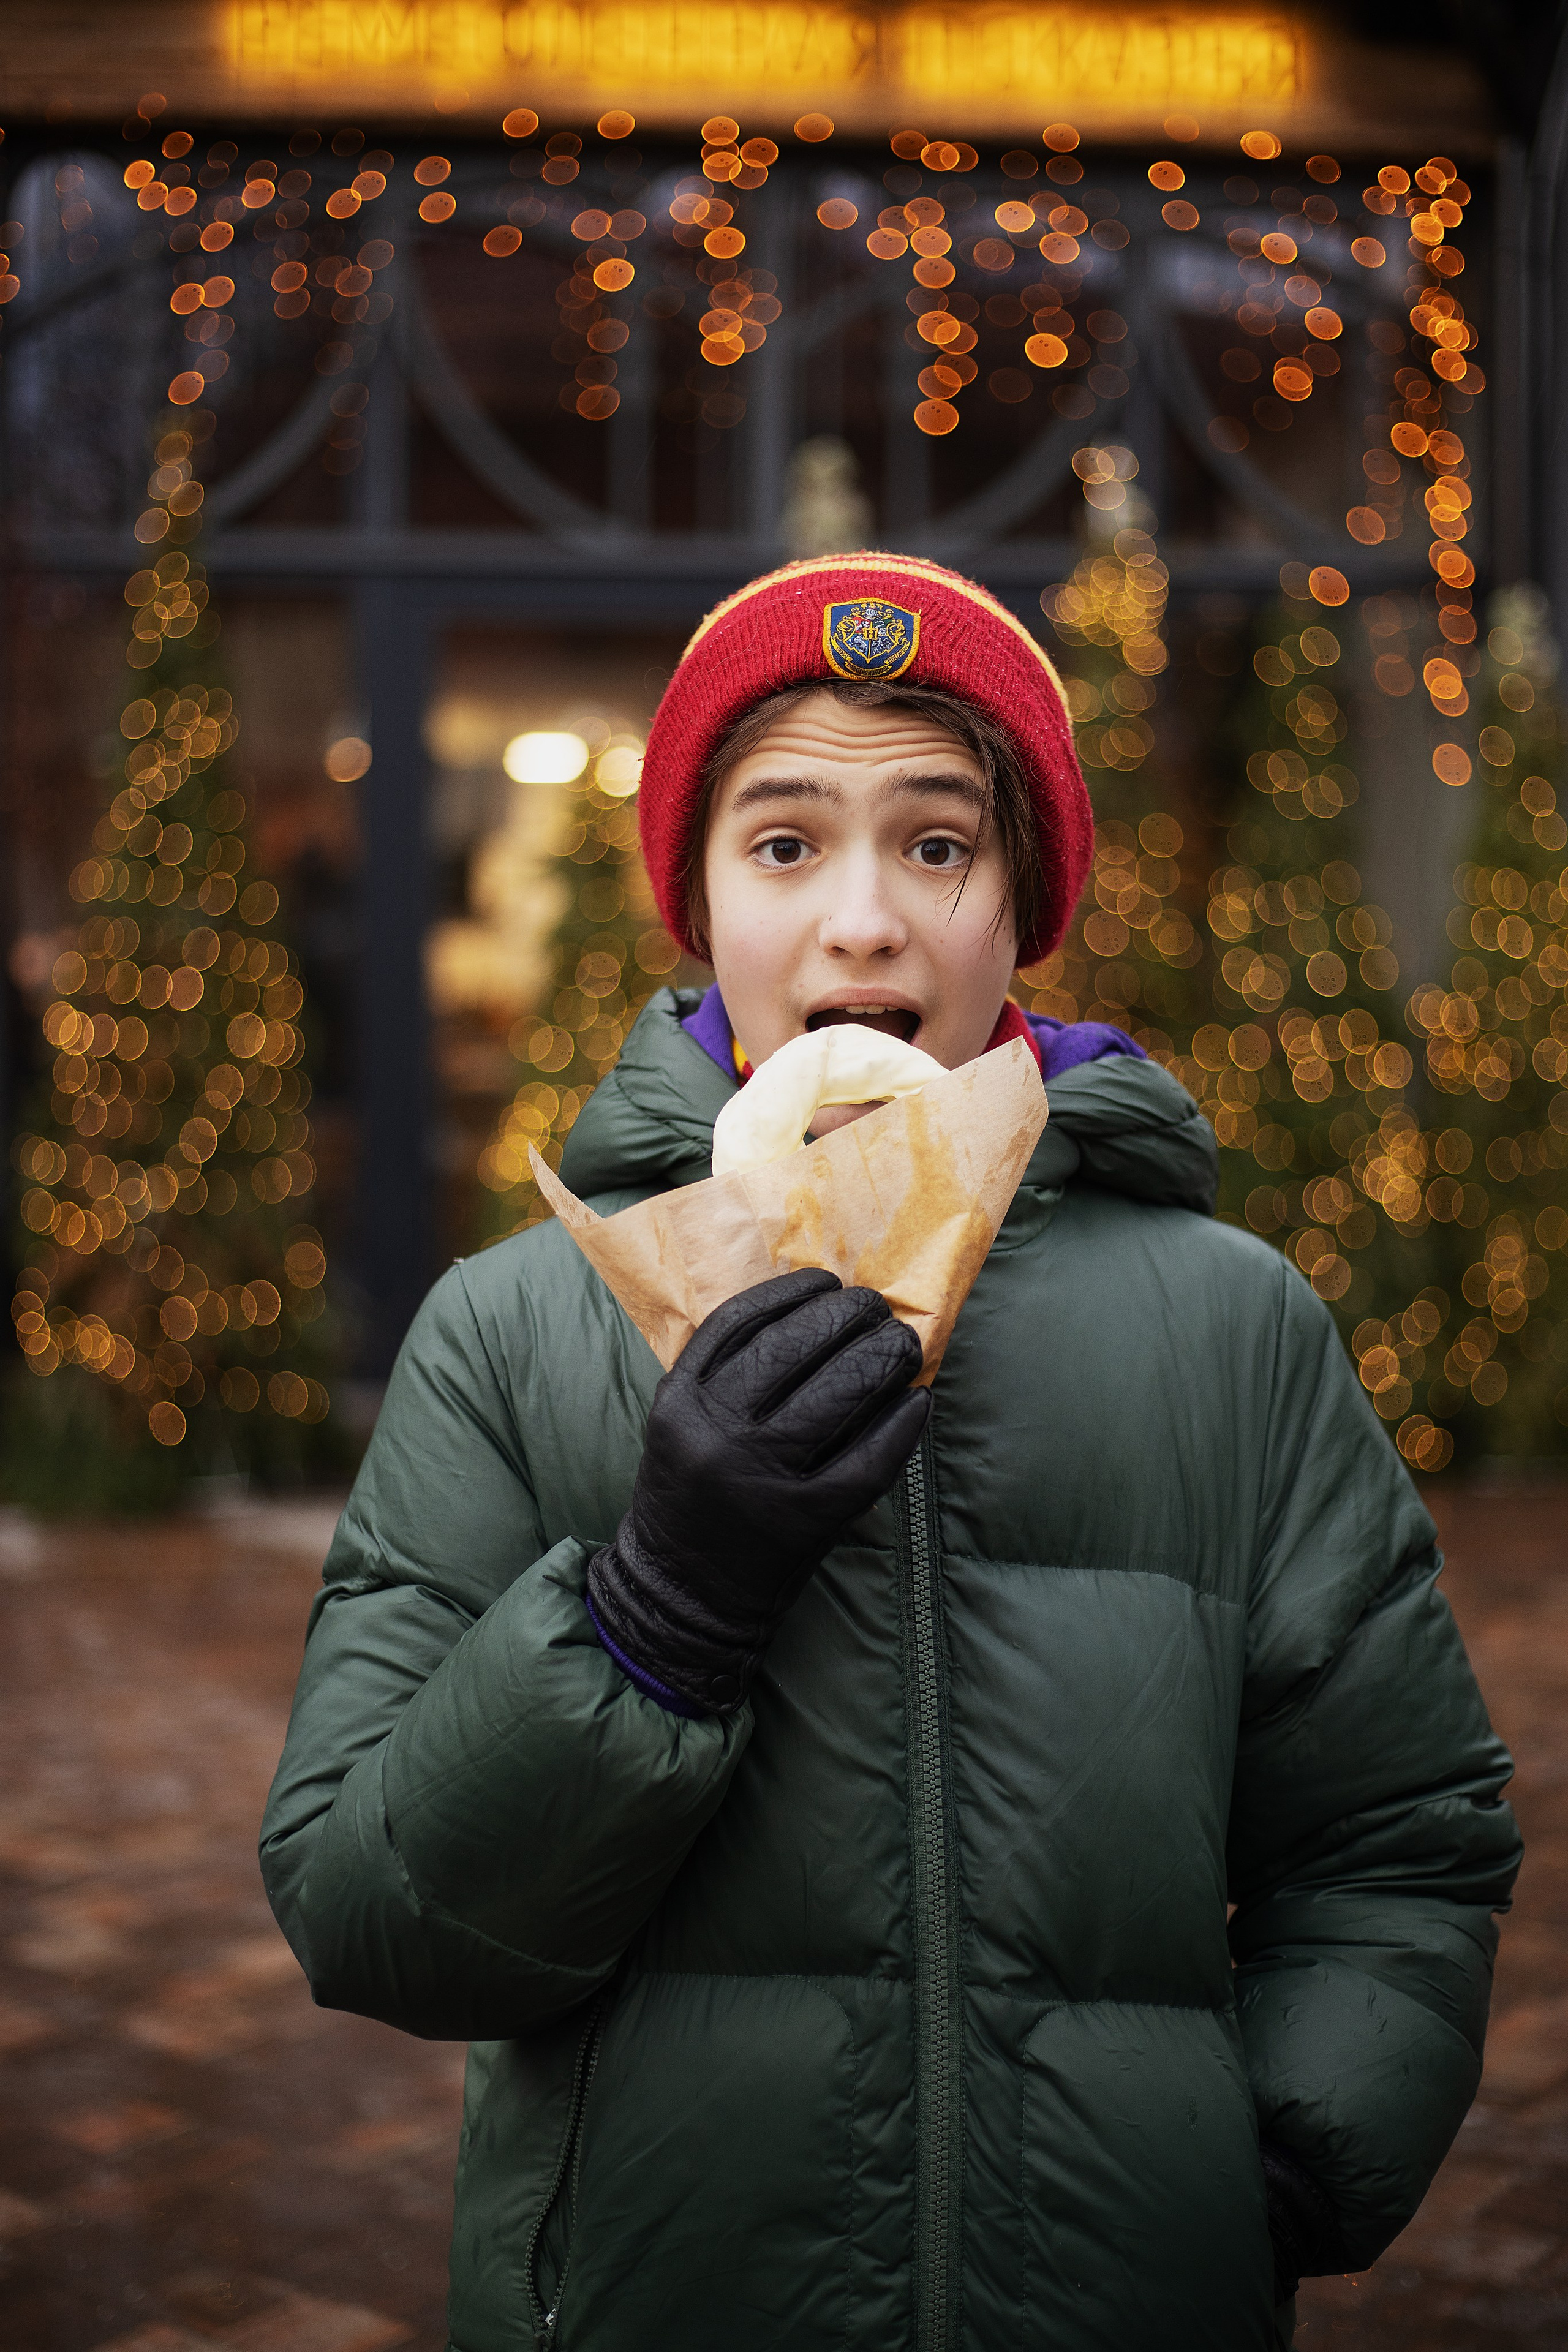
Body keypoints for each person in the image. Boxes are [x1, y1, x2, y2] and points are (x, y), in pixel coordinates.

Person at [261, 554, 1521, 2352]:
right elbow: (372, 1919)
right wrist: (653, 1612)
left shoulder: (1233, 1324)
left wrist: (1284, 2164)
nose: (862, 925)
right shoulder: (516, 1331)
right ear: (699, 902)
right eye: (784, 844)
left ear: (1023, 910)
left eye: (938, 845)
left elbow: (1396, 1839)